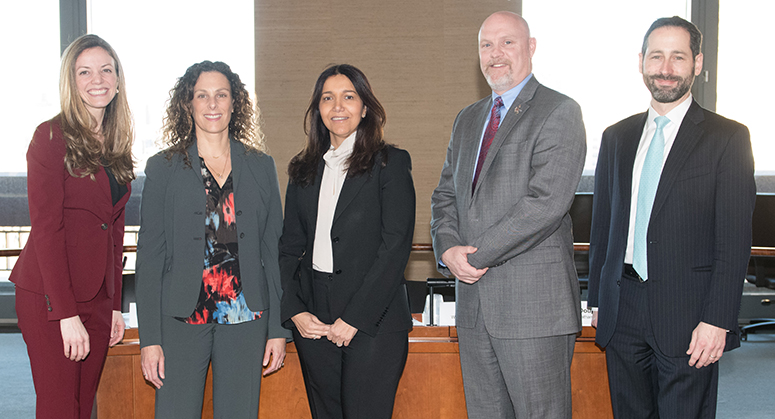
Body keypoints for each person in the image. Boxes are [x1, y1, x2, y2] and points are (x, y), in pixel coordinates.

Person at [588, 16, 756, 419]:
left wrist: (718, 320)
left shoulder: (727, 137)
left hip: (690, 314)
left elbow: (734, 241)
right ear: (641, 61)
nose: (666, 68)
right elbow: (603, 226)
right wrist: (597, 297)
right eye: (657, 56)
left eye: (678, 57)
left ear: (697, 63)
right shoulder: (616, 136)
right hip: (622, 308)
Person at [430, 11, 586, 418]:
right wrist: (447, 250)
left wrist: (472, 257)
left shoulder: (559, 111)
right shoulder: (467, 120)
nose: (495, 54)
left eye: (507, 42)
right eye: (486, 45)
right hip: (474, 306)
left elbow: (545, 204)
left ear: (530, 47)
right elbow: (445, 195)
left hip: (533, 309)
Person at [135, 60, 289, 418]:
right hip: (181, 320)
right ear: (188, 103)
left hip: (246, 318)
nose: (212, 104)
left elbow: (274, 249)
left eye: (221, 95)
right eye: (201, 95)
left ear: (235, 103)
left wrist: (278, 328)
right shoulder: (164, 167)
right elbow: (151, 257)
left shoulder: (260, 165)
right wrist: (151, 340)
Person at [279, 64, 415, 419]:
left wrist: (354, 317)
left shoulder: (391, 164)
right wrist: (296, 311)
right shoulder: (303, 169)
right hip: (315, 319)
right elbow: (289, 248)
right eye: (328, 98)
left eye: (348, 97)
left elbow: (395, 246)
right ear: (318, 109)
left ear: (365, 107)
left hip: (374, 320)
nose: (338, 106)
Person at [10, 34, 133, 419]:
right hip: (51, 297)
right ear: (71, 79)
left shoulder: (116, 144)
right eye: (85, 71)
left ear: (117, 78)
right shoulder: (50, 137)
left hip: (98, 298)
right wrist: (64, 315)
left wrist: (114, 306)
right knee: (60, 409)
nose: (97, 79)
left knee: (83, 408)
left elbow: (114, 232)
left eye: (106, 69)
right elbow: (47, 230)